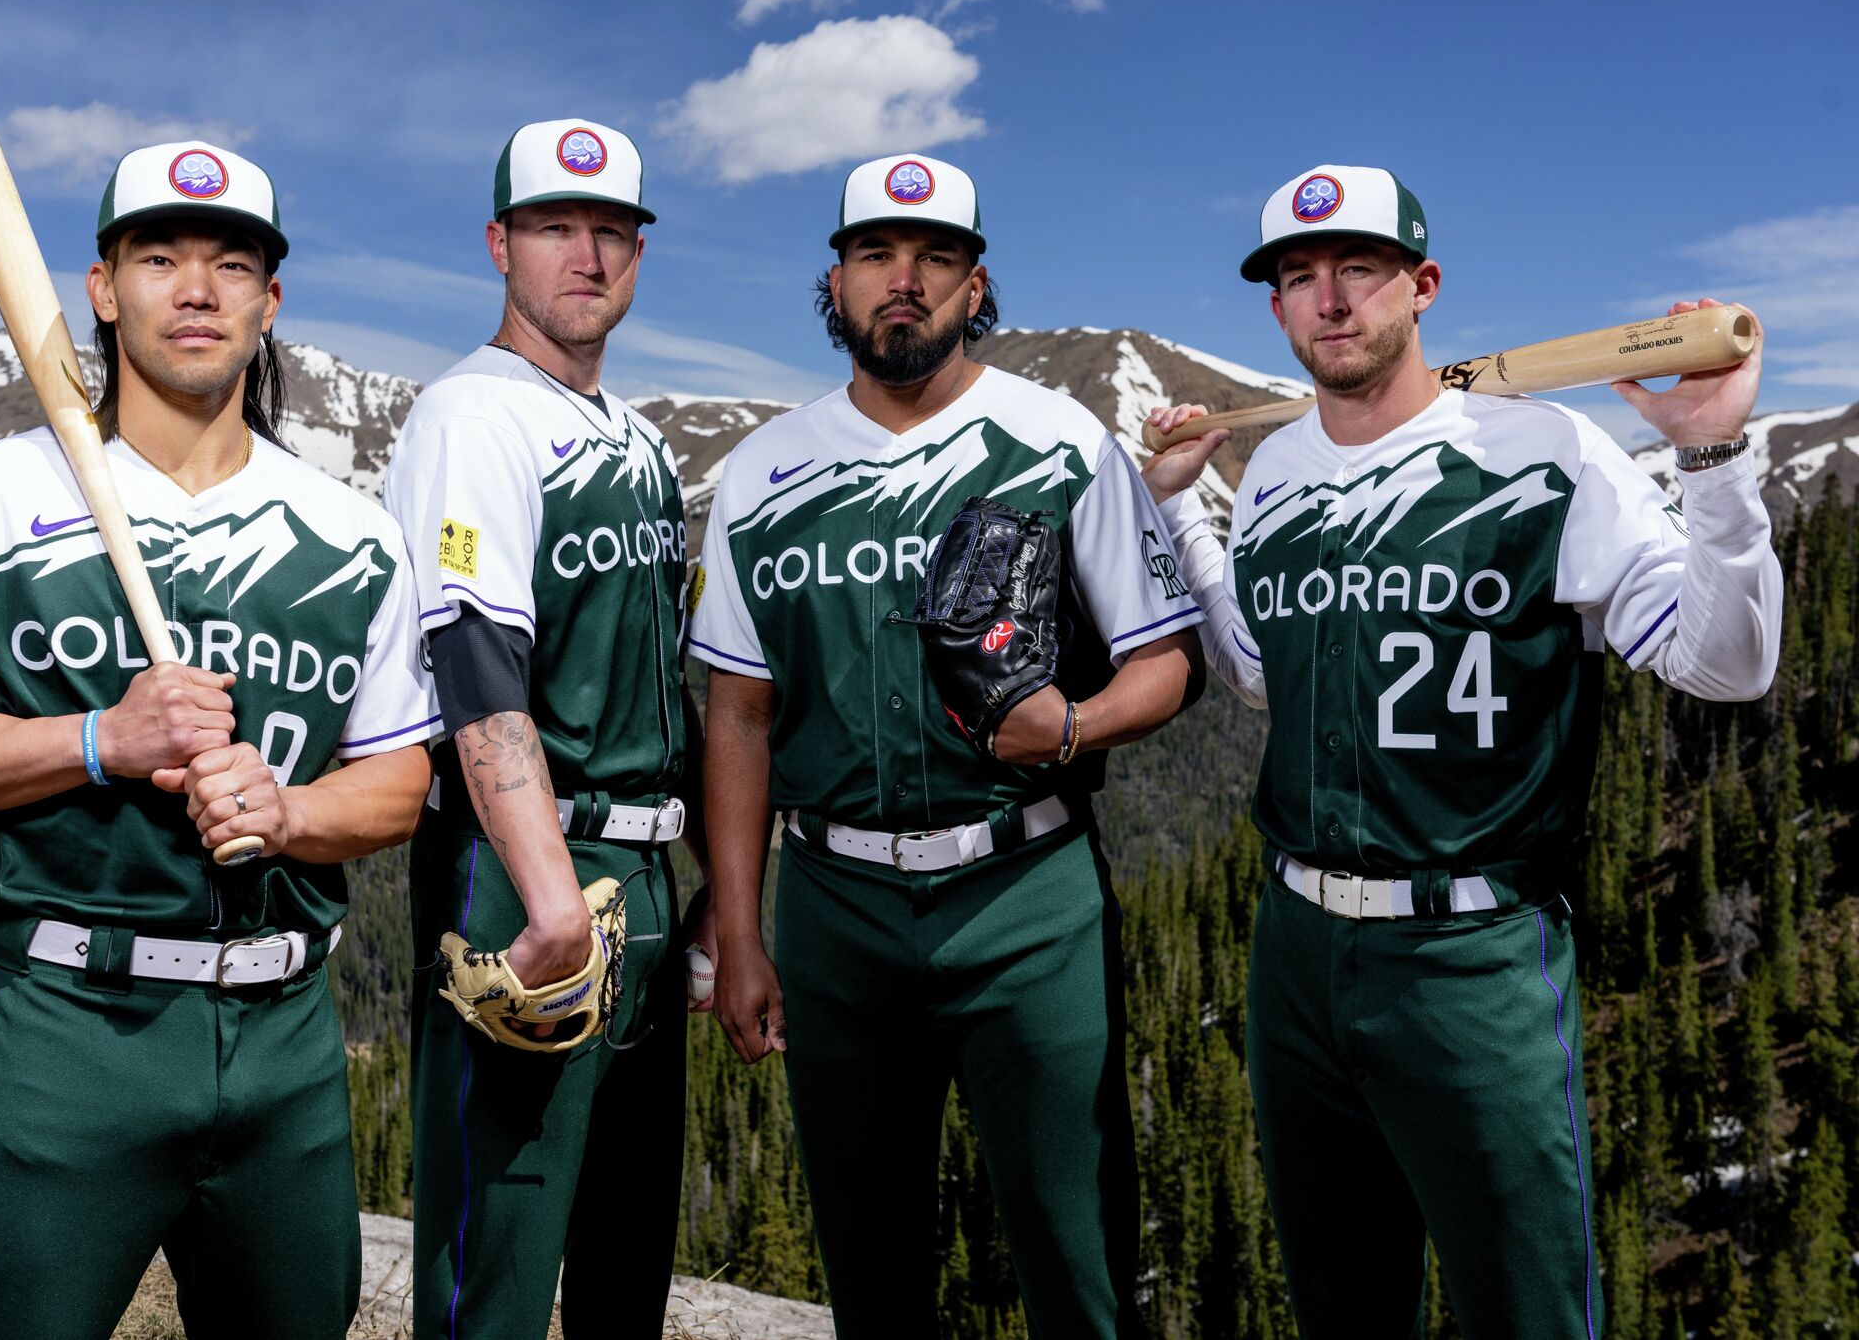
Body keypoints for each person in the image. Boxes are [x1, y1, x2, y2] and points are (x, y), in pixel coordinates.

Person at [1141, 163, 1781, 1339]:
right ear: (1276, 310)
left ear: (1420, 286)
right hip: (1292, 947)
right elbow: (1255, 672)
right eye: (1297, 277)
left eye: (1358, 270)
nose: (1328, 299)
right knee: (1340, 1301)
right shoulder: (1276, 469)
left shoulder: (1545, 450)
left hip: (1470, 950)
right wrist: (1184, 508)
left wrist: (1712, 459)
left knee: (1522, 1305)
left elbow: (1725, 662)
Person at [0, 139, 439, 1339]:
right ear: (103, 291)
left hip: (285, 1048)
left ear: (270, 301)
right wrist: (99, 738)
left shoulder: (353, 531)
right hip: (66, 1032)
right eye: (158, 257)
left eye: (230, 263)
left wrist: (292, 813)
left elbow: (404, 778)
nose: (195, 289)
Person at [693, 151, 1206, 1338]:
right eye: (875, 254)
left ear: (977, 287)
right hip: (832, 906)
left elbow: (1165, 662)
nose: (903, 281)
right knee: (867, 1265)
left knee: (1075, 1248)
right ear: (836, 281)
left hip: (1024, 893)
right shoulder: (763, 471)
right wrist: (738, 925)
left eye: (934, 258)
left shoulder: (1058, 438)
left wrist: (1072, 723)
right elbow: (738, 711)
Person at [381, 117, 709, 1340]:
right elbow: (473, 666)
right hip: (527, 865)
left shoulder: (633, 436)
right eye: (553, 227)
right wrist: (551, 898)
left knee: (626, 1249)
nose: (586, 252)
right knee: (499, 1262)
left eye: (611, 231)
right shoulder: (474, 414)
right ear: (498, 245)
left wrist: (706, 886)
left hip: (643, 865)